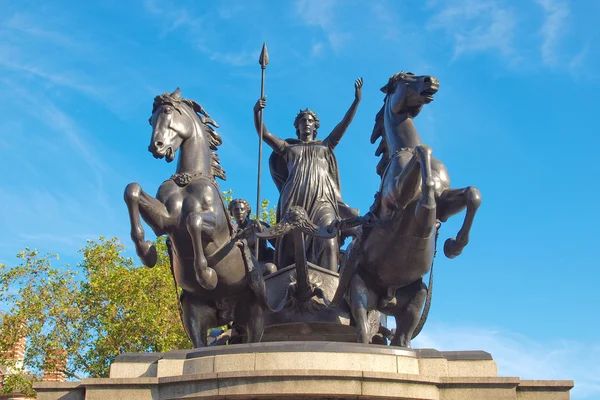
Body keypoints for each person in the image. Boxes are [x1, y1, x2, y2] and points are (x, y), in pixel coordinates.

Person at [253, 78, 363, 272]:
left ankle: (329, 291)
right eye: (302, 121)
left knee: (329, 239)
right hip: (294, 202)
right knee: (290, 251)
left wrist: (356, 101)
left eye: (310, 121)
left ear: (315, 126)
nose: (306, 123)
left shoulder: (325, 146)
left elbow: (344, 124)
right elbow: (264, 134)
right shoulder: (288, 148)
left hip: (323, 201)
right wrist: (257, 113)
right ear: (297, 126)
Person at [228, 198, 276, 275]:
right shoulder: (232, 233)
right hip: (243, 269)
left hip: (261, 264)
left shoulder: (259, 226)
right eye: (236, 210)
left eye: (242, 209)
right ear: (231, 213)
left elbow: (277, 242)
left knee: (270, 268)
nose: (239, 212)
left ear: (247, 212)